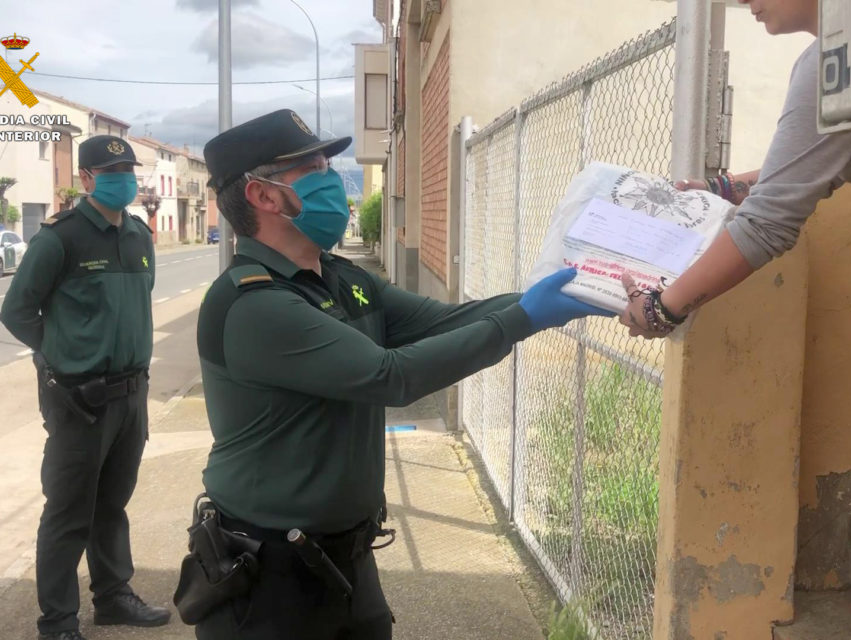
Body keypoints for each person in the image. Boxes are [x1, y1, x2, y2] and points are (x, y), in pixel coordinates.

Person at [186, 109, 609, 640]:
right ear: (263, 196)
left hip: (347, 556)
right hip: (267, 572)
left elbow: (447, 321)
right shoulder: (254, 304)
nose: (332, 180)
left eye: (328, 164)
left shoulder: (341, 277)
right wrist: (525, 318)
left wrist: (578, 291)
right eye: (313, 169)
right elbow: (391, 376)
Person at [619, 2, 851, 638]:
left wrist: (661, 307)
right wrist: (727, 187)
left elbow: (768, 225)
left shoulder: (835, 57)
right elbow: (830, 156)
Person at [0, 135, 171, 640]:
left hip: (131, 395)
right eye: (110, 171)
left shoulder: (139, 236)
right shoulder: (61, 239)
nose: (123, 179)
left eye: (128, 170)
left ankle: (113, 597)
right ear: (86, 179)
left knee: (112, 503)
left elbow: (139, 301)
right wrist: (62, 356)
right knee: (69, 510)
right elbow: (16, 311)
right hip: (80, 399)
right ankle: (57, 622)